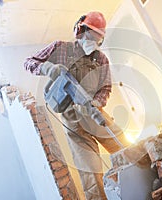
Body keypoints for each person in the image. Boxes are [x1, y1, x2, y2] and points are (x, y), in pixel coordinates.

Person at [24, 11, 130, 200]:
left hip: (94, 112)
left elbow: (105, 87)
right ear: (80, 30)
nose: (93, 41)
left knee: (126, 149)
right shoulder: (60, 48)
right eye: (90, 35)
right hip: (73, 123)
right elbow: (29, 62)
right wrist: (48, 68)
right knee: (91, 174)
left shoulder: (101, 59)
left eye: (98, 38)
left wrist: (97, 103)